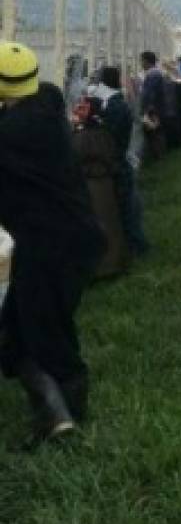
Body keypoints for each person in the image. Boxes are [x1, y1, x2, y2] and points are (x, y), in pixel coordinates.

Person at [0, 42, 104, 441]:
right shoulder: (47, 100)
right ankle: (52, 412)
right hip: (65, 236)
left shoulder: (12, 135)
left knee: (46, 331)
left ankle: (67, 419)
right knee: (16, 328)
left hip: (54, 244)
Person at [94, 66, 148, 259]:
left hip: (117, 163)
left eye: (97, 81)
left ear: (103, 82)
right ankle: (133, 245)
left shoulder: (115, 106)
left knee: (126, 208)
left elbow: (111, 138)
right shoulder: (113, 103)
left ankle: (136, 246)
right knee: (126, 206)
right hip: (118, 162)